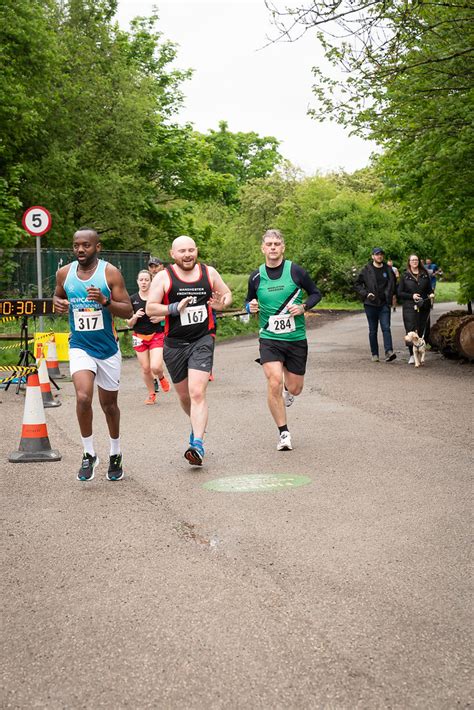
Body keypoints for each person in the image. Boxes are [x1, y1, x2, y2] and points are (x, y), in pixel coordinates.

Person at [53, 228, 133, 481]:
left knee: (109, 405)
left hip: (107, 349)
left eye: (86, 245)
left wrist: (105, 302)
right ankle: (88, 454)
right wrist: (58, 303)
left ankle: (115, 452)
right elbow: (57, 296)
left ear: (97, 247)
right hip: (80, 346)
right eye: (76, 245)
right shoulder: (64, 274)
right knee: (83, 396)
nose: (80, 250)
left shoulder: (109, 273)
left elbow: (128, 310)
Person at [146, 235, 232, 466]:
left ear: (197, 251)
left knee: (196, 392)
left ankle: (197, 444)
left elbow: (227, 295)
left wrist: (221, 304)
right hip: (174, 344)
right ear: (173, 254)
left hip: (202, 340)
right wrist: (175, 307)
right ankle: (196, 428)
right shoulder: (165, 277)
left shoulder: (209, 273)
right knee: (184, 397)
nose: (187, 255)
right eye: (182, 251)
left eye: (191, 250)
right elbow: (150, 307)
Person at [245, 229, 321, 452]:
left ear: (283, 247)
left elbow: (316, 293)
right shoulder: (256, 276)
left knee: (295, 388)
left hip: (295, 338)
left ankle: (289, 389)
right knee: (274, 381)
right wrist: (249, 307)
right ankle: (284, 433)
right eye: (269, 244)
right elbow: (248, 302)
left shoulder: (295, 271)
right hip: (269, 338)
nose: (273, 247)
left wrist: (304, 306)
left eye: (276, 244)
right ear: (262, 248)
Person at [127, 270, 170, 404]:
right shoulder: (132, 299)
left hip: (156, 335)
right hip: (139, 337)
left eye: (146, 280)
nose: (144, 282)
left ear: (151, 282)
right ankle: (151, 394)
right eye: (141, 280)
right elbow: (129, 323)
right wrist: (134, 317)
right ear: (137, 282)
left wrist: (161, 318)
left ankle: (161, 377)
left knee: (156, 367)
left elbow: (170, 313)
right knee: (146, 368)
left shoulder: (157, 298)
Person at [354, 247, 397, 362]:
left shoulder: (388, 269)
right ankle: (375, 354)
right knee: (373, 330)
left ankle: (389, 351)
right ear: (372, 256)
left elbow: (393, 283)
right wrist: (366, 294)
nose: (379, 256)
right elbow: (357, 284)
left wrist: (390, 294)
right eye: (377, 254)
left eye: (381, 254)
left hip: (384, 304)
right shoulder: (366, 270)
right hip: (370, 304)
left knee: (386, 328)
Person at [398, 254, 434, 364]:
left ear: (419, 262)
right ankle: (412, 355)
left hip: (423, 306)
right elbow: (399, 292)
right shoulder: (405, 276)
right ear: (409, 262)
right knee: (411, 329)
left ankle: (421, 351)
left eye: (416, 260)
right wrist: (411, 296)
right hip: (409, 307)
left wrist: (431, 294)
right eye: (412, 260)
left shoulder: (425, 275)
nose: (414, 262)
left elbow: (429, 289)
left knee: (423, 329)